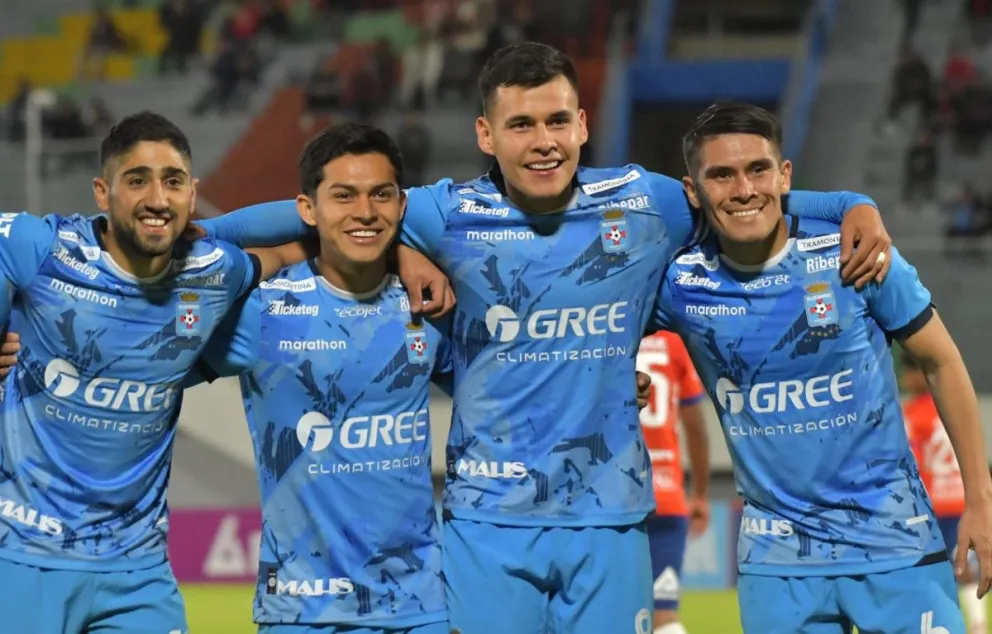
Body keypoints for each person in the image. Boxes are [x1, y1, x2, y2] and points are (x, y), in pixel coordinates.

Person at [183, 43, 895, 634]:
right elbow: (316, 213)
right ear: (486, 135)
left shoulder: (643, 205)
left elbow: (741, 198)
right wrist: (396, 242)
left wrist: (848, 205)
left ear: (583, 125)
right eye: (521, 125)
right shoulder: (447, 213)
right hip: (487, 523)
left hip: (611, 521)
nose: (544, 141)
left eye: (557, 120)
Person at [650, 101, 992, 633]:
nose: (743, 190)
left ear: (783, 175)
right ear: (692, 192)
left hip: (895, 539)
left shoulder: (855, 252)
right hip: (777, 560)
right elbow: (593, 323)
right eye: (721, 175)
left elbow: (941, 361)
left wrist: (980, 498)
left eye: (757, 169)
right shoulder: (679, 282)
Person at [0, 111, 293, 634]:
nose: (158, 197)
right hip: (23, 556)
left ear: (191, 192)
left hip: (138, 574)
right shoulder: (40, 249)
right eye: (137, 181)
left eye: (173, 183)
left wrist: (403, 252)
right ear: (101, 192)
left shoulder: (213, 271)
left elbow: (303, 230)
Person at [192, 123, 451, 634]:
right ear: (306, 210)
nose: (364, 211)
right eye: (343, 196)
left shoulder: (432, 303)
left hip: (419, 607)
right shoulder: (261, 308)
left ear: (402, 206)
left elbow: (507, 390)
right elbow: (200, 242)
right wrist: (290, 251)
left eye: (381, 195)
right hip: (300, 610)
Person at [903, 354, 989, 634]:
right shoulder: (951, 407)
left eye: (907, 372)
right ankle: (977, 625)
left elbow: (910, 460)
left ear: (917, 373)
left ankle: (935, 624)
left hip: (936, 503)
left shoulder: (914, 412)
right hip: (962, 501)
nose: (904, 380)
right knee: (964, 569)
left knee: (930, 570)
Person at [637, 331, 709, 634]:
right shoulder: (674, 341)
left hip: (614, 496)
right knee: (664, 617)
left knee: (603, 611)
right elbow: (696, 427)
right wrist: (701, 494)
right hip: (666, 494)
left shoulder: (605, 325)